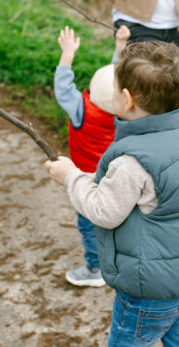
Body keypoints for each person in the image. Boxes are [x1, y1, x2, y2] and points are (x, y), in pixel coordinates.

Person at [46, 41, 179, 345]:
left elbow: (104, 211)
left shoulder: (132, 161)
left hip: (149, 290)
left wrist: (71, 177)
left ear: (125, 100)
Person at [54, 24, 130, 287]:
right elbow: (118, 84)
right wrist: (120, 49)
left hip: (87, 180)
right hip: (116, 179)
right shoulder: (126, 115)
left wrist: (67, 55)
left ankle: (96, 269)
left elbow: (64, 89)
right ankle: (122, 261)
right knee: (118, 221)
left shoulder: (82, 112)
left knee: (89, 224)